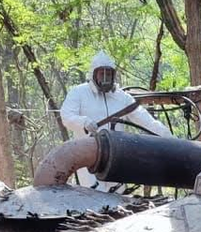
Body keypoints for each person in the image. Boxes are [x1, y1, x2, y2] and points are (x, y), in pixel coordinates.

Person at [60, 51, 174, 190]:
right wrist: (83, 122)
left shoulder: (122, 98)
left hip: (117, 158)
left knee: (119, 200)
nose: (106, 77)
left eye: (109, 73)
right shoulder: (79, 93)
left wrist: (169, 138)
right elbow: (66, 116)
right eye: (102, 73)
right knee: (93, 198)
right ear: (94, 74)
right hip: (89, 159)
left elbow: (146, 120)